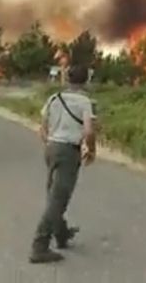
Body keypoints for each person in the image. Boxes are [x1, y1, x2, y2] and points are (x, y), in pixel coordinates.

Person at [29, 65, 98, 264]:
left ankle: (61, 234)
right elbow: (89, 131)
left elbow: (42, 128)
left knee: (54, 193)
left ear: (67, 79)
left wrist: (51, 143)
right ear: (86, 81)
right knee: (58, 198)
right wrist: (91, 150)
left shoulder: (53, 98)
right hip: (69, 150)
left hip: (51, 147)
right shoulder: (85, 101)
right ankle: (39, 247)